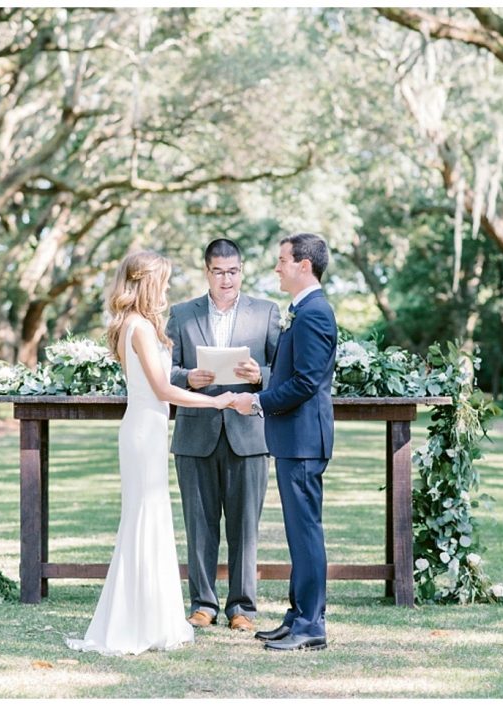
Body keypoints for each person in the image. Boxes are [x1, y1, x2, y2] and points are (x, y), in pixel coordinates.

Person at [66, 250, 235, 656]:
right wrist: (218, 401)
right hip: (144, 430)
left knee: (151, 519)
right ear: (146, 282)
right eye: (162, 280)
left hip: (149, 429)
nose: (166, 288)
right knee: (144, 519)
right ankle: (138, 621)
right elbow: (162, 390)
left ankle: (151, 616)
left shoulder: (136, 324)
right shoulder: (138, 327)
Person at [166, 238, 281, 633]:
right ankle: (202, 604)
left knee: (245, 527)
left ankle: (243, 608)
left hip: (248, 435)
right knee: (199, 525)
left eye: (233, 271)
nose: (226, 278)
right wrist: (187, 378)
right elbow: (164, 369)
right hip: (196, 433)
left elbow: (284, 369)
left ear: (242, 270)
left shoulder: (266, 312)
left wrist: (260, 376)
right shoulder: (181, 315)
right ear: (207, 272)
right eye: (218, 271)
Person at [232, 233, 337, 652]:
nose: (277, 268)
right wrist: (262, 378)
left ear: (304, 265)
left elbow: (308, 382)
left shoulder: (313, 313)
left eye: (282, 261)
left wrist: (256, 401)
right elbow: (293, 372)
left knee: (306, 531)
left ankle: (312, 625)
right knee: (298, 532)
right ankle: (297, 615)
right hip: (295, 439)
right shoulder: (304, 310)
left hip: (304, 440)